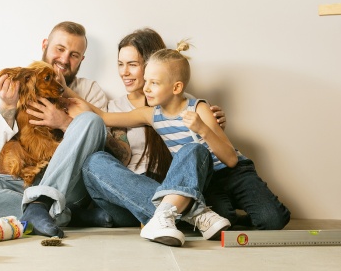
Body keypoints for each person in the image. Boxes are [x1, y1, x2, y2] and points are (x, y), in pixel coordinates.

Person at [69, 40, 290, 246]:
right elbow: (103, 116)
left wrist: (203, 129)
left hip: (232, 172)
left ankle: (184, 213)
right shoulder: (151, 115)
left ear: (175, 88)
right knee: (224, 220)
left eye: (153, 83)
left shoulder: (198, 108)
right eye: (146, 81)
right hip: (205, 180)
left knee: (272, 220)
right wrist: (64, 89)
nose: (145, 88)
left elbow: (231, 159)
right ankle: (194, 213)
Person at [0, 21, 127, 238]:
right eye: (60, 49)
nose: (64, 59)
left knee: (91, 121)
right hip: (26, 180)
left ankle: (43, 207)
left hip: (70, 186)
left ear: (82, 60)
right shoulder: (18, 86)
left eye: (74, 55)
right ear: (45, 45)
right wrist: (9, 107)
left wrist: (64, 122)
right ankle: (69, 215)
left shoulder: (89, 90)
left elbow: (105, 152)